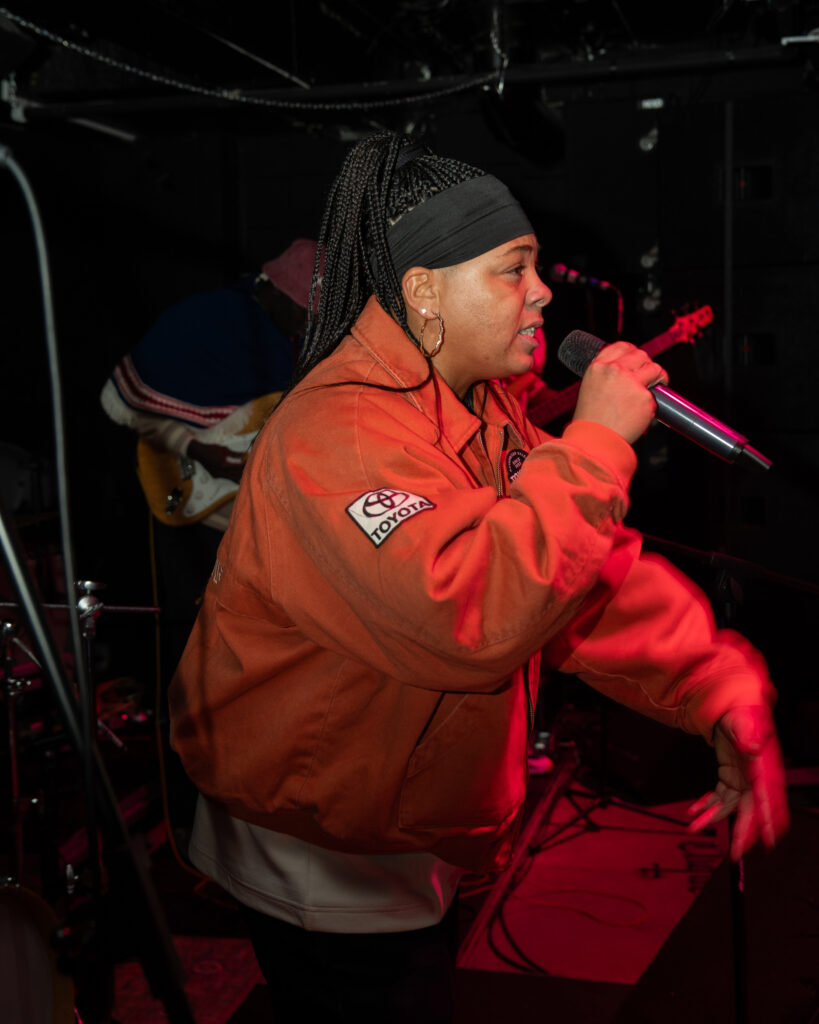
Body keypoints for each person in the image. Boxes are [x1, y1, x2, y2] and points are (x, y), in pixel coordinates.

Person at [168, 133, 788, 1022]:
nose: (542, 291)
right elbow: (470, 612)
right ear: (423, 290)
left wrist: (715, 686)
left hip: (405, 829)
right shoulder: (342, 435)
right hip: (323, 853)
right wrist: (595, 445)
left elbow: (586, 581)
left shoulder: (477, 409)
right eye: (512, 268)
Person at [100, 239, 316, 835]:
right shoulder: (209, 318)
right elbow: (120, 404)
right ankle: (187, 804)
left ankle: (246, 792)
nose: (306, 325)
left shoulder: (288, 339)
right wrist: (198, 450)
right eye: (302, 311)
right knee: (191, 651)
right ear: (275, 291)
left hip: (250, 520)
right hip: (191, 507)